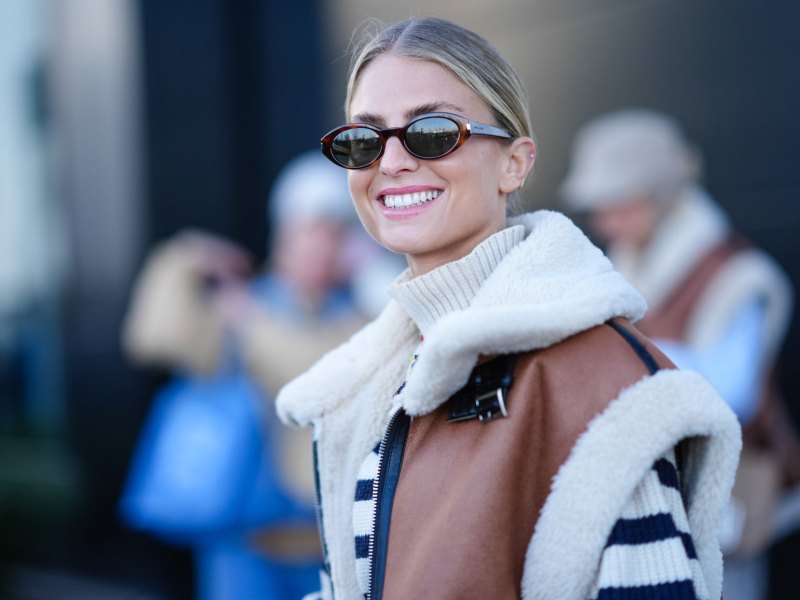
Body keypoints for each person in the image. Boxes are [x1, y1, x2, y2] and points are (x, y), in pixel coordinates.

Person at [276, 17, 741, 600]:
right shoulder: (362, 387)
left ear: (515, 163)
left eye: (433, 130)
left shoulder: (602, 387)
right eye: (364, 140)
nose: (390, 162)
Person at [560, 108, 799, 600]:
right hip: (649, 489)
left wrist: (615, 361)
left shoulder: (738, 276)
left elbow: (733, 392)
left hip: (727, 489)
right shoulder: (618, 268)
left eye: (619, 203)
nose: (605, 220)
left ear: (661, 196)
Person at [121, 150, 373, 600]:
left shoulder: (356, 319)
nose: (320, 246)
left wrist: (252, 324)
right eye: (309, 230)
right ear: (283, 235)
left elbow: (314, 373)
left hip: (326, 542)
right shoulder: (244, 307)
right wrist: (184, 257)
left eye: (334, 234)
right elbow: (150, 337)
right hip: (241, 541)